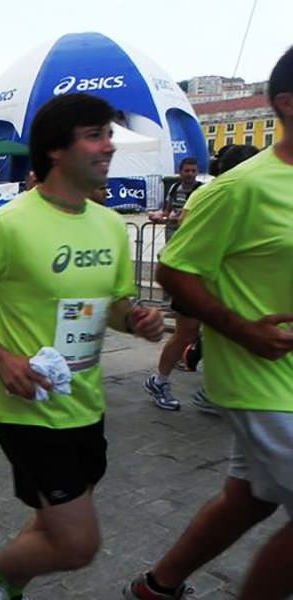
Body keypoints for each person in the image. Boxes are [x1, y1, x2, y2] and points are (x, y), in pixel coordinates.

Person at [0, 93, 164, 600]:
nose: (108, 146)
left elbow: (114, 305)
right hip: (29, 407)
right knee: (79, 545)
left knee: (54, 525)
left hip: (86, 401)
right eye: (95, 135)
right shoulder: (7, 226)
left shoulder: (109, 225)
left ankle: (3, 585)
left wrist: (138, 318)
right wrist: (0, 358)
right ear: (56, 150)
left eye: (108, 135)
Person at [123, 49, 293, 600]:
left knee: (249, 498)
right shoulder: (240, 188)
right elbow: (176, 269)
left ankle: (157, 587)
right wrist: (242, 329)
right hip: (261, 376)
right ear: (288, 105)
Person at [150, 157, 201, 242]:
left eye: (193, 171)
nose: (190, 174)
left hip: (193, 231)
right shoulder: (174, 187)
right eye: (187, 171)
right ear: (180, 172)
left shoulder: (202, 189)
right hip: (172, 231)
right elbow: (167, 211)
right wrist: (157, 216)